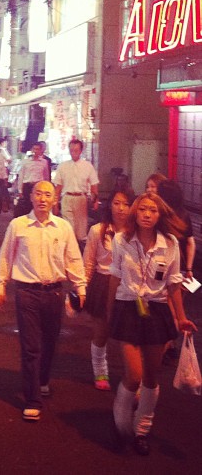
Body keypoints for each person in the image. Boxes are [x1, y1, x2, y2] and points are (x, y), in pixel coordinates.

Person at [108, 192, 197, 456]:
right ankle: (121, 424)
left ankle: (142, 430)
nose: (147, 214)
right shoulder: (121, 239)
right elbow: (114, 277)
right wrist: (108, 312)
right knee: (133, 375)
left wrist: (181, 318)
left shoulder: (170, 243)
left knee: (150, 377)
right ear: (136, 212)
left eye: (153, 210)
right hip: (128, 307)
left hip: (157, 311)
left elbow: (174, 283)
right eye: (143, 209)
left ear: (160, 215)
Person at [0, 181, 86, 422]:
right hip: (27, 293)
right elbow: (6, 256)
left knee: (50, 342)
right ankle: (32, 398)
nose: (43, 199)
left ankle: (42, 379)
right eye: (38, 194)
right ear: (31, 197)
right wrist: (0, 285)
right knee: (30, 346)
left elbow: (73, 258)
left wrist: (80, 286)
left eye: (48, 194)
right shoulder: (18, 225)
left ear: (55, 199)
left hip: (54, 292)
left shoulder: (63, 228)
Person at [83, 189, 135, 391]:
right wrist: (81, 290)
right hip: (103, 284)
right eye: (116, 203)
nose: (121, 208)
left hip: (128, 286)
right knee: (101, 332)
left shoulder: (136, 231)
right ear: (110, 205)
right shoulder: (98, 230)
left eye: (126, 204)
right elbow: (88, 263)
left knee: (130, 336)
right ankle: (100, 371)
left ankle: (132, 375)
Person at [157, 179, 196, 361]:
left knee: (170, 311)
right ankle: (170, 344)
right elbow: (190, 242)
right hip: (179, 269)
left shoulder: (163, 217)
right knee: (172, 309)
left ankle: (164, 347)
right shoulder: (184, 215)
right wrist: (189, 268)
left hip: (166, 269)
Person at [53, 139, 99, 247]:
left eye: (76, 150)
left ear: (81, 151)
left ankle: (81, 255)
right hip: (67, 199)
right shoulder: (63, 166)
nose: (74, 152)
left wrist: (95, 201)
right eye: (71, 150)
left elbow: (94, 185)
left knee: (81, 233)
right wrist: (54, 204)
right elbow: (58, 187)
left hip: (81, 200)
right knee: (68, 229)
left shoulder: (88, 166)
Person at [15, 142, 50, 218]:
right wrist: (20, 190)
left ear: (41, 150)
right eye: (34, 149)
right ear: (32, 150)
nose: (36, 151)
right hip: (28, 186)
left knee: (38, 206)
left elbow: (46, 176)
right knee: (27, 207)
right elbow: (21, 176)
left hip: (39, 187)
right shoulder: (26, 162)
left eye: (38, 149)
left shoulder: (44, 162)